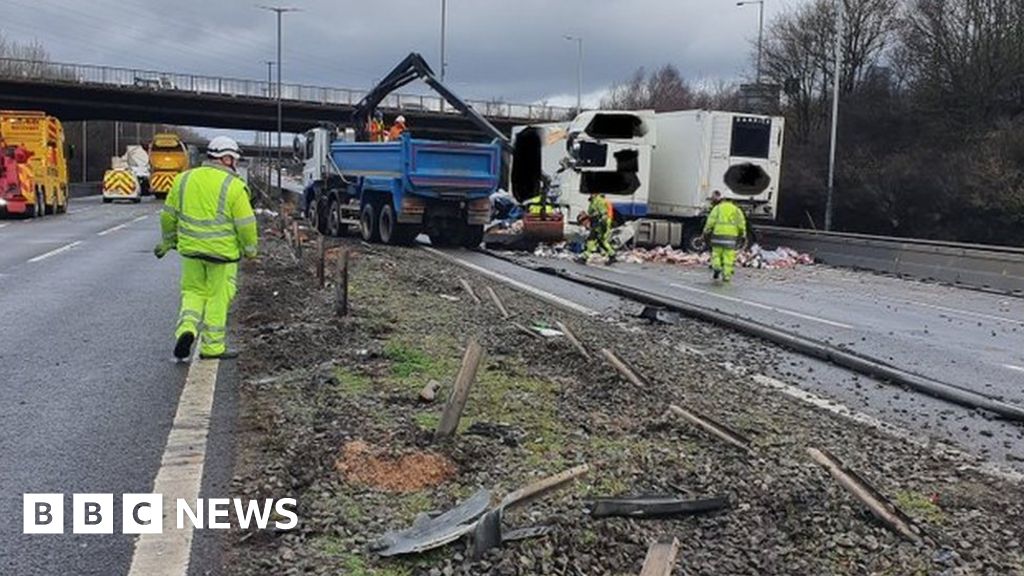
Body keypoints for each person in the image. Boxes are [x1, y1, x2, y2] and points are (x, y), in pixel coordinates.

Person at [154, 136, 258, 360]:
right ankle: (212, 347)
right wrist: (250, 250)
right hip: (222, 255)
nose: (235, 164)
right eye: (234, 160)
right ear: (226, 158)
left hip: (191, 252)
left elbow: (167, 216)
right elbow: (246, 224)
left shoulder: (182, 180)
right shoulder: (234, 186)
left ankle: (186, 330)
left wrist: (169, 241)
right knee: (217, 298)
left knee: (192, 293)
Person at [702, 190, 747, 282]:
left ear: (723, 199)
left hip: (717, 236)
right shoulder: (736, 210)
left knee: (716, 254)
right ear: (732, 200)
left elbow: (710, 221)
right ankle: (726, 276)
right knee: (728, 257)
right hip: (731, 238)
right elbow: (741, 223)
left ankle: (717, 267)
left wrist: (706, 231)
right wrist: (743, 234)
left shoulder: (717, 208)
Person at [578, 192, 616, 264]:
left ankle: (584, 257)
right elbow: (592, 212)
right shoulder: (594, 201)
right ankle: (612, 255)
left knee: (591, 239)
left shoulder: (599, 200)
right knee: (602, 241)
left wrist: (603, 224)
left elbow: (603, 214)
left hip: (600, 224)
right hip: (598, 223)